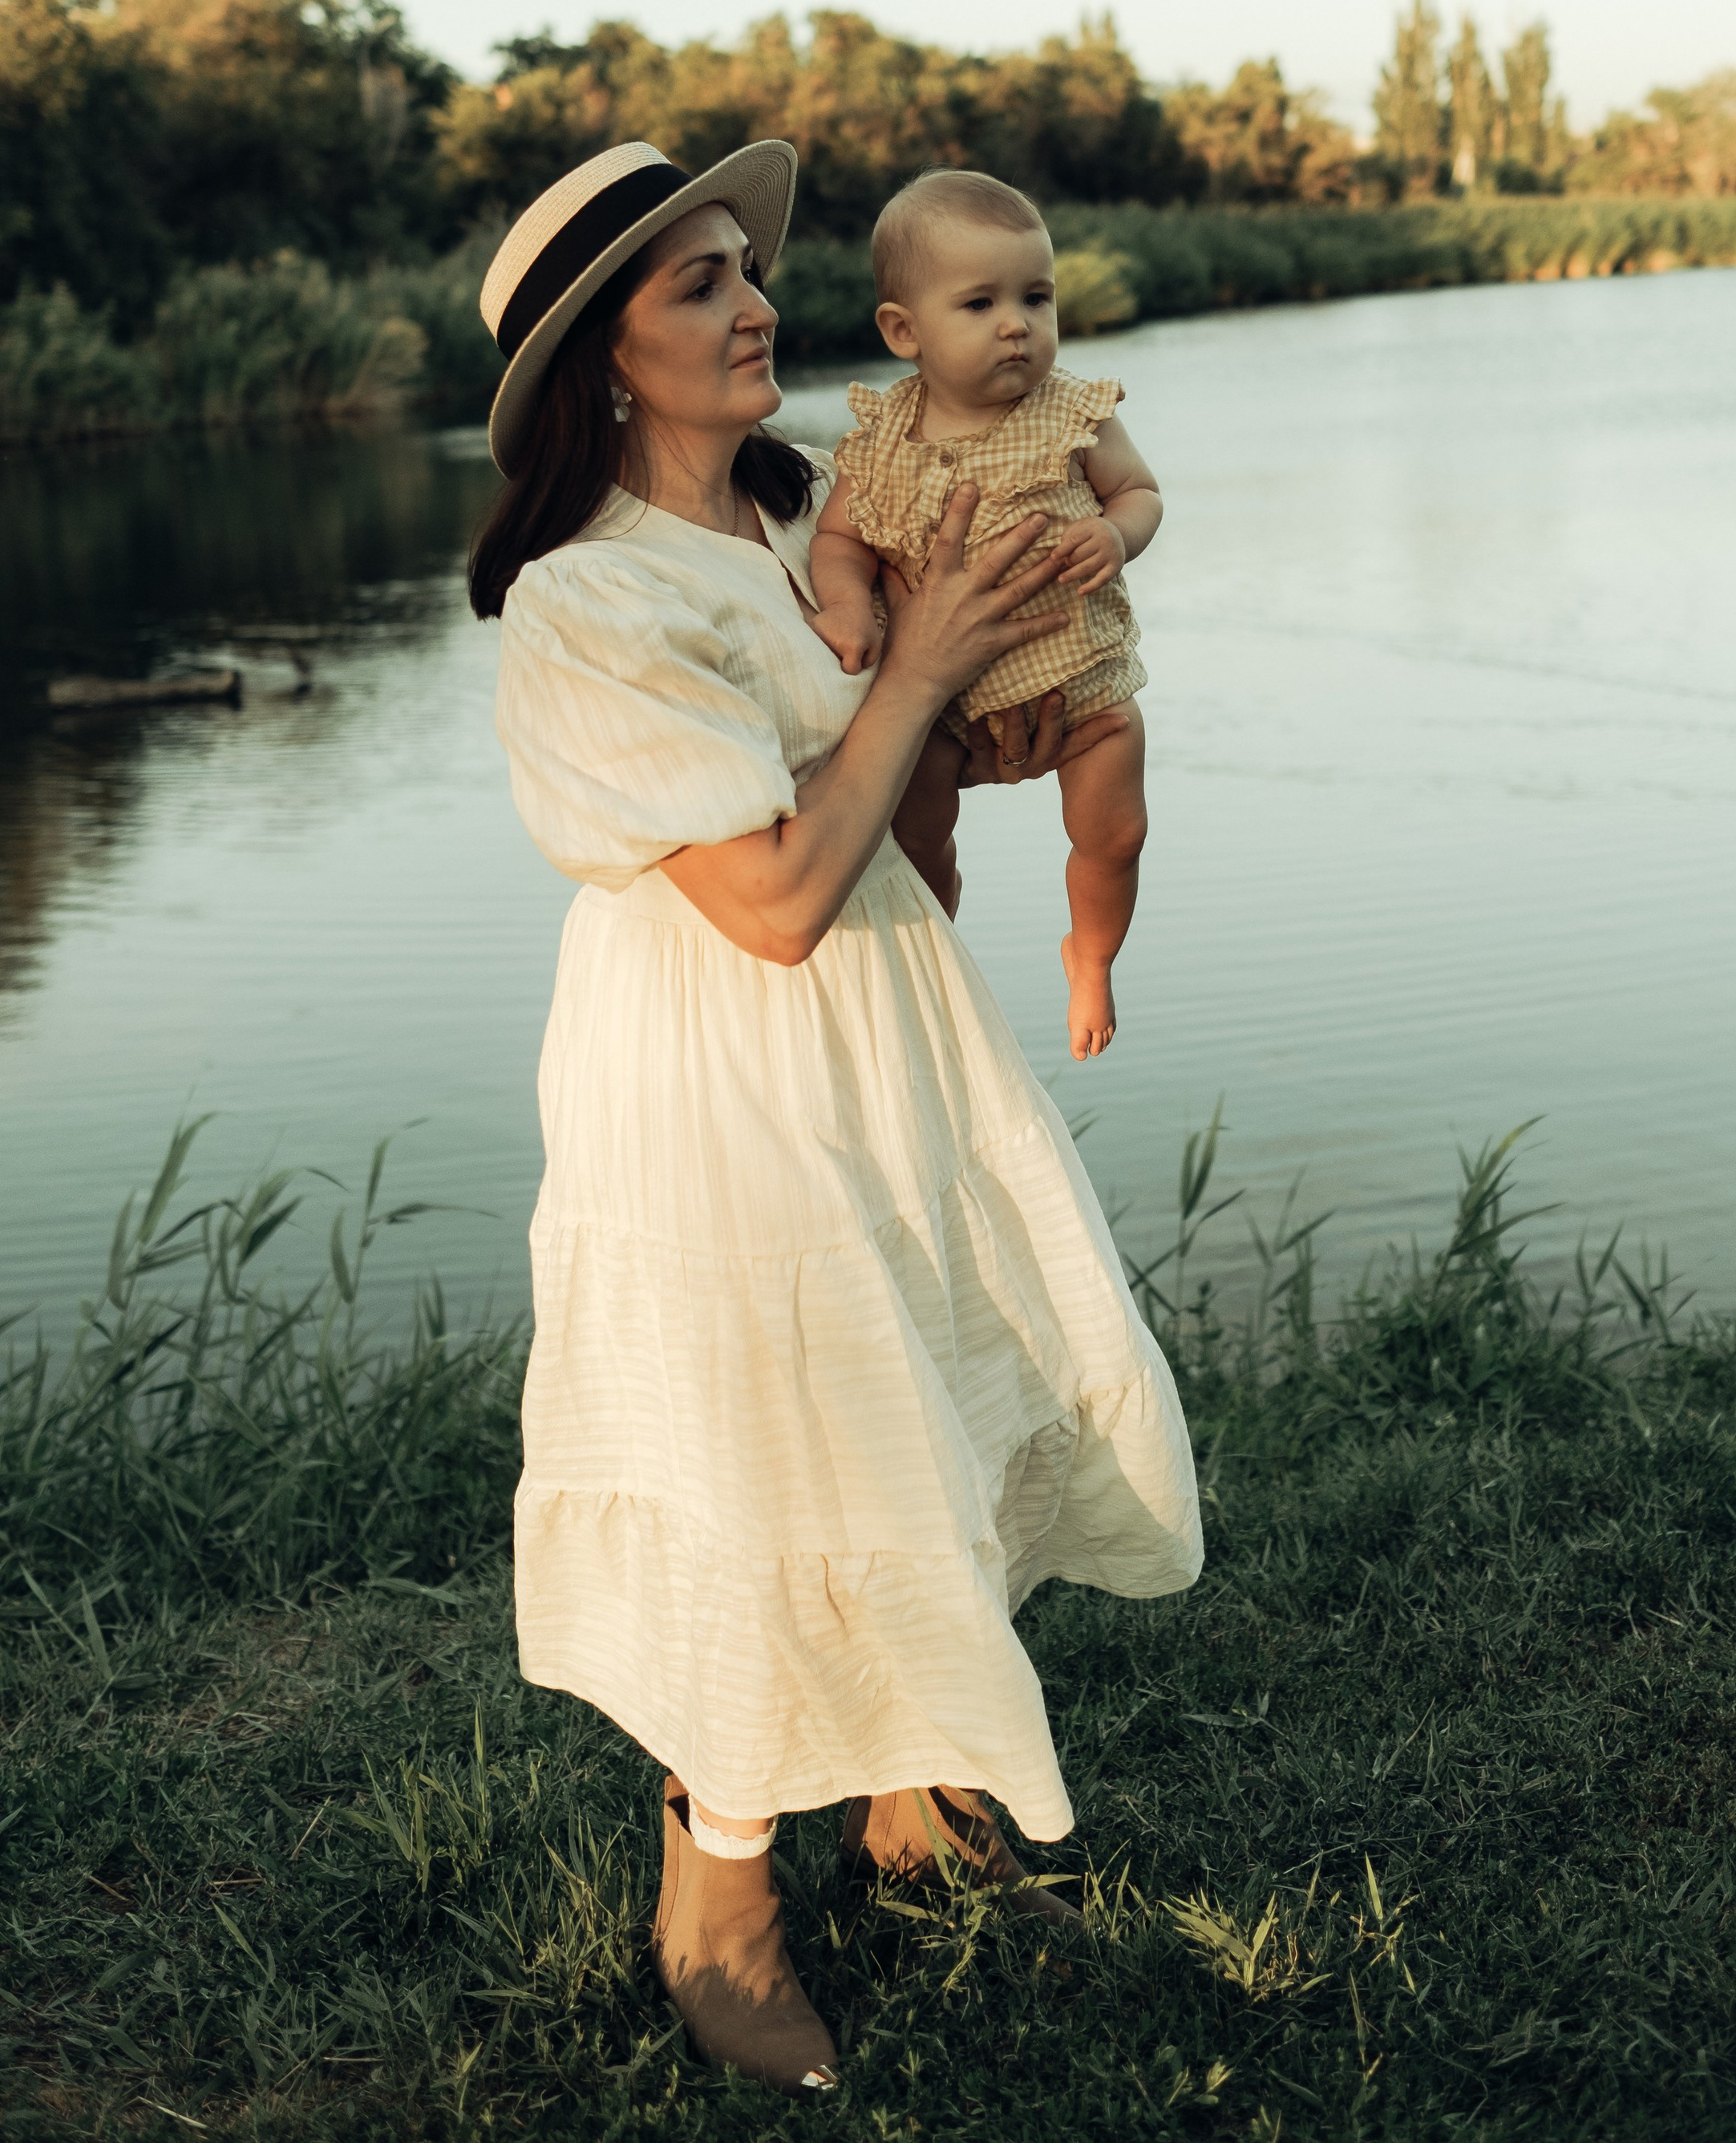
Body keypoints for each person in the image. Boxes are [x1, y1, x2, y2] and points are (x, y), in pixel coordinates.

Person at [467, 138, 1203, 2098]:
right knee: (768, 1444)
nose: (752, 303)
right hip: (724, 1068)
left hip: (885, 1022)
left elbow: (901, 754)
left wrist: (1035, 676)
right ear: (604, 361)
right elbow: (775, 894)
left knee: (928, 1378)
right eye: (699, 283)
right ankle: (715, 1894)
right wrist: (931, 663)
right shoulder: (584, 601)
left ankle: (910, 1784)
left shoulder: (803, 517)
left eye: (745, 267)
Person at [809, 171, 1159, 1061]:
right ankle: (937, 960)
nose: (1017, 324)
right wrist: (847, 604)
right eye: (980, 303)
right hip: (940, 705)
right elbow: (840, 539)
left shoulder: (1070, 412)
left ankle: (1092, 956)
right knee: (915, 835)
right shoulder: (881, 444)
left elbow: (1140, 492)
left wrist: (1116, 535)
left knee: (1116, 831)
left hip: (1080, 678)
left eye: (1036, 298)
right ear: (904, 332)